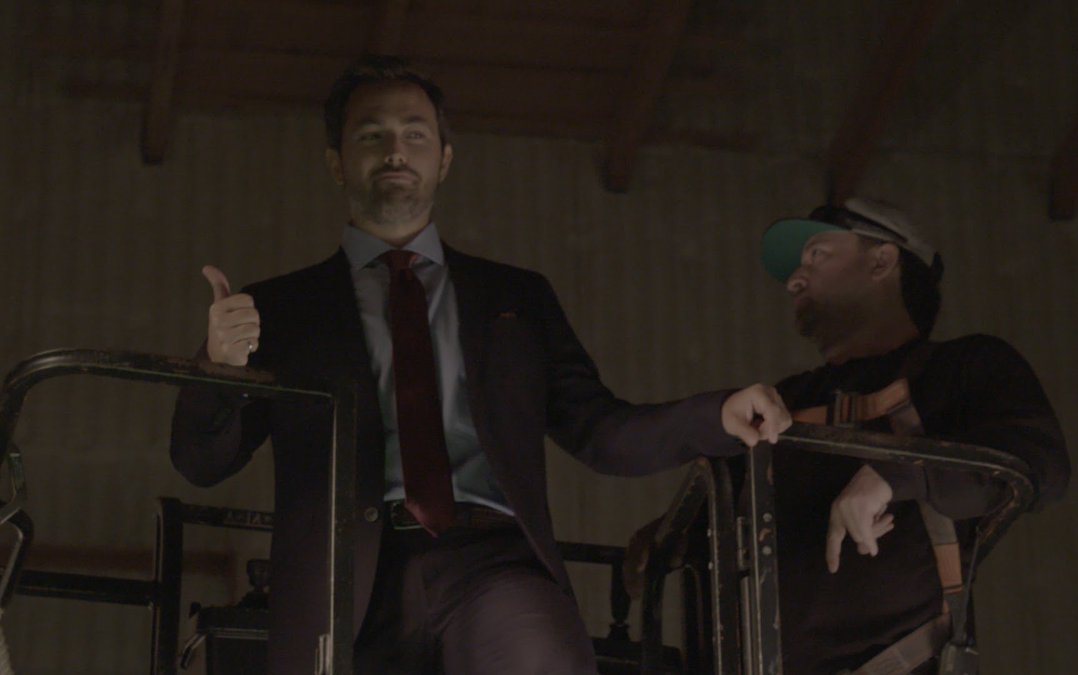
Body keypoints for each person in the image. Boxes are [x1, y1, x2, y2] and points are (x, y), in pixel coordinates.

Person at [170, 54, 791, 675]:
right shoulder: (281, 308)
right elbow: (200, 462)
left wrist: (716, 415)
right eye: (371, 135)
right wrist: (217, 366)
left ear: (444, 160)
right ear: (337, 162)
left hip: (491, 561)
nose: (395, 151)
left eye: (415, 134)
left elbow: (599, 430)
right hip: (340, 582)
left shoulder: (516, 296)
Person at [758, 197, 1070, 673]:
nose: (794, 280)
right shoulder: (782, 399)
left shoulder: (964, 367)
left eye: (816, 254)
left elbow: (1040, 464)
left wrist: (898, 472)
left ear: (882, 260)